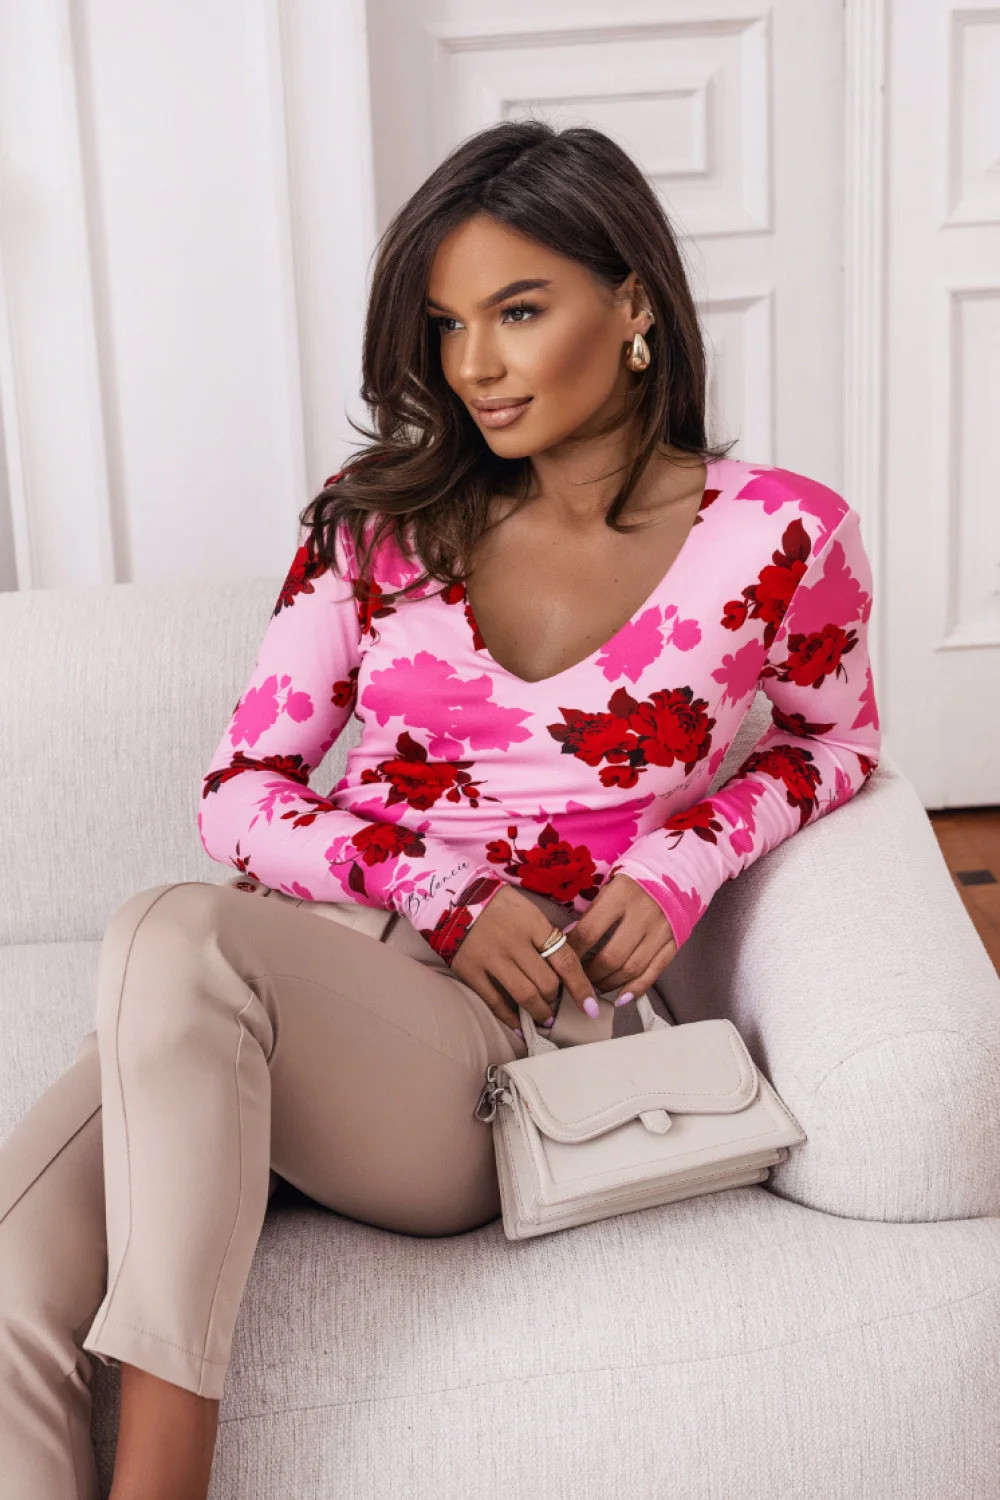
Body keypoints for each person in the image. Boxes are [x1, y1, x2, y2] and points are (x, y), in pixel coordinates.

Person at [0, 118, 880, 1499]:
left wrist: (684, 860)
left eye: (518, 311)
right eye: (448, 324)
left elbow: (836, 746)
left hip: (489, 1049)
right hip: (258, 995)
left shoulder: (781, 537)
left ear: (634, 303)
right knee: (8, 1281)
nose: (474, 366)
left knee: (176, 932)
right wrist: (441, 888)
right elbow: (239, 793)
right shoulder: (376, 521)